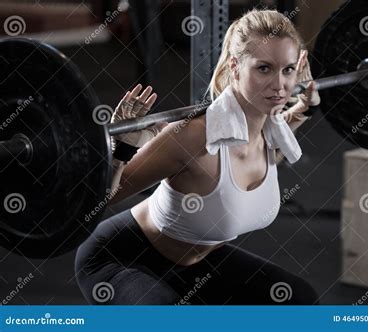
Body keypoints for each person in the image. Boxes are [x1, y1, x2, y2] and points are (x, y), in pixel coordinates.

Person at [75, 8, 321, 305]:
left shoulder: (271, 132)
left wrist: (304, 107)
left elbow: (275, 145)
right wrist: (122, 148)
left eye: (288, 70)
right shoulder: (193, 137)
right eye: (264, 68)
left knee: (300, 301)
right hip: (123, 257)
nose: (279, 86)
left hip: (197, 266)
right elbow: (102, 199)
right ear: (235, 66)